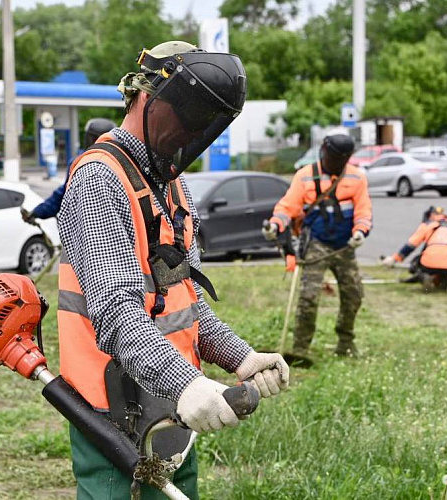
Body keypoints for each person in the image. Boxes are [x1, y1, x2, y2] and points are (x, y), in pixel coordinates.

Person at [56, 40, 289, 499]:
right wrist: (187, 384)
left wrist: (239, 356)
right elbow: (118, 312)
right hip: (114, 417)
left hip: (175, 408)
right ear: (147, 97)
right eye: (186, 113)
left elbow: (186, 302)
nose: (192, 129)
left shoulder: (170, 182)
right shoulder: (100, 180)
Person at [263, 134, 372, 361]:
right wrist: (276, 224)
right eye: (334, 157)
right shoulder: (304, 176)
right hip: (316, 244)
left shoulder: (357, 177)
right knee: (309, 296)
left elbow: (364, 210)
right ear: (324, 151)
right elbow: (288, 206)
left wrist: (360, 232)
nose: (337, 162)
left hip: (344, 246)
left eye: (343, 158)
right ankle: (300, 349)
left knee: (354, 295)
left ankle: (345, 341)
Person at [23, 118, 117, 223]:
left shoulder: (79, 163)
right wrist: (38, 212)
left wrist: (37, 212)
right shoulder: (122, 162)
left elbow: (62, 196)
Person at [382, 206, 447, 293]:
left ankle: (425, 278)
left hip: (430, 262)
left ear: (431, 216)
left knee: (417, 263)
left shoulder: (428, 226)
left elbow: (410, 246)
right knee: (446, 271)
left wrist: (394, 259)